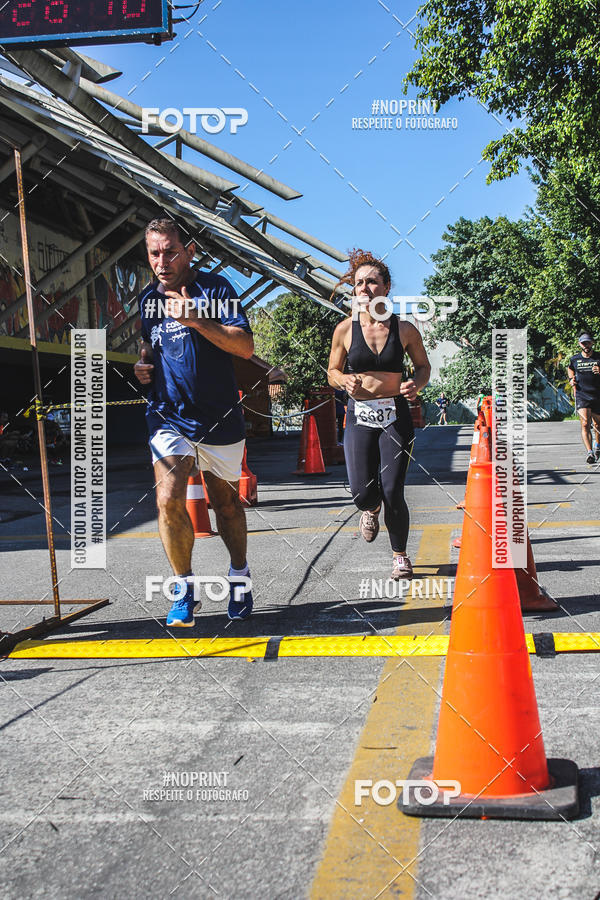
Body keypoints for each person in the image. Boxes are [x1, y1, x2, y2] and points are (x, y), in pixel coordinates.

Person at [134, 218, 255, 625]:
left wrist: (196, 320)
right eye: (154, 253)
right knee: (167, 498)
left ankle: (239, 576)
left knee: (225, 503)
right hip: (167, 416)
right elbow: (150, 350)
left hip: (219, 417)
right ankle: (183, 590)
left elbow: (244, 346)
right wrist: (143, 367)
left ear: (190, 251)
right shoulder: (147, 300)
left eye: (170, 251)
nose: (162, 260)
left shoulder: (217, 289)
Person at [327, 249, 431, 579]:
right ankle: (369, 509)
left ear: (386, 287)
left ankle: (400, 555)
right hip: (359, 416)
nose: (365, 288)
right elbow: (332, 369)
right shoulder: (344, 329)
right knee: (361, 491)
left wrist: (416, 383)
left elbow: (424, 367)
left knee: (393, 490)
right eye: (359, 283)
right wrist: (342, 379)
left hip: (395, 415)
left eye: (372, 282)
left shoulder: (405, 330)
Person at [567, 331, 600, 464]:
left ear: (592, 343)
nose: (586, 345)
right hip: (582, 394)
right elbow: (570, 369)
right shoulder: (575, 359)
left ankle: (597, 446)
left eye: (588, 342)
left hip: (597, 395)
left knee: (597, 425)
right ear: (580, 344)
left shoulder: (598, 357)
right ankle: (589, 453)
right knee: (585, 423)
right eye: (583, 343)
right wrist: (571, 379)